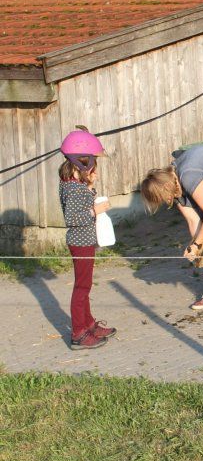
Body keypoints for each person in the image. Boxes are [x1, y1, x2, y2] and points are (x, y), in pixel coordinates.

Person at [140, 144, 203, 311]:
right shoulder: (174, 184)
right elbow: (192, 220)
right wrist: (200, 251)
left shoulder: (187, 175)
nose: (165, 202)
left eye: (162, 198)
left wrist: (197, 245)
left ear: (165, 187)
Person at [58, 127, 117, 350]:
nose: (96, 169)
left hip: (85, 241)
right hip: (80, 242)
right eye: (94, 164)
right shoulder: (73, 189)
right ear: (82, 164)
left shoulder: (74, 184)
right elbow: (72, 218)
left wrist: (90, 188)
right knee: (81, 288)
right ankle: (78, 334)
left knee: (86, 286)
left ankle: (89, 323)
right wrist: (96, 210)